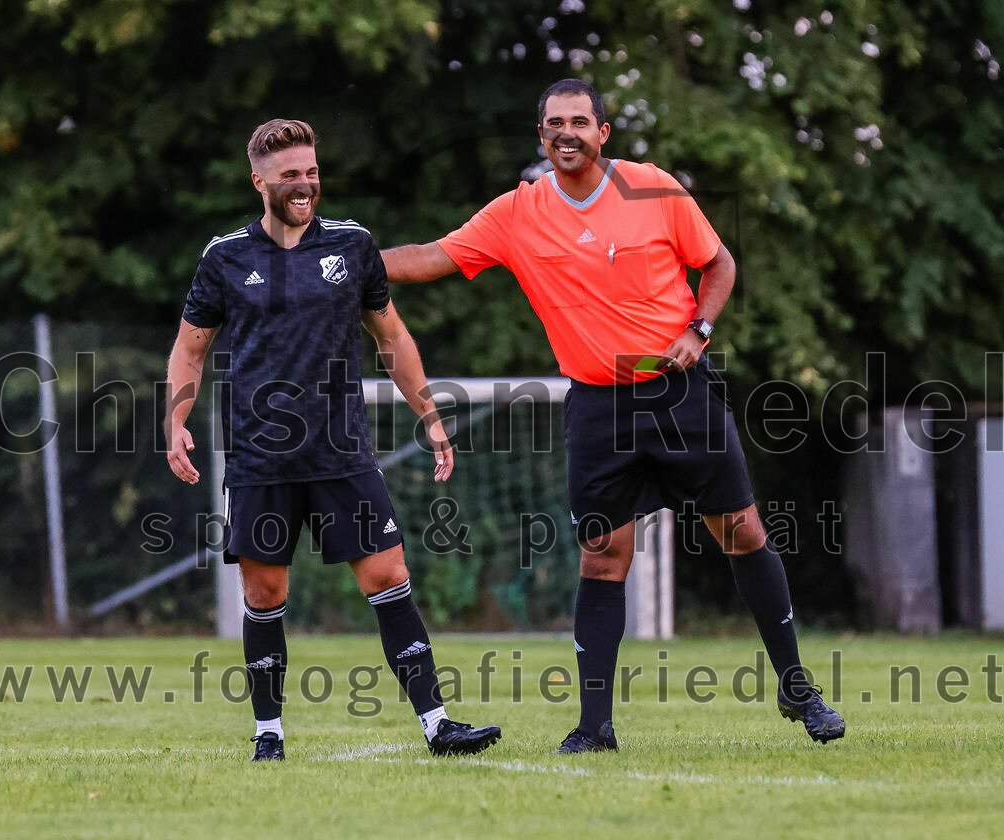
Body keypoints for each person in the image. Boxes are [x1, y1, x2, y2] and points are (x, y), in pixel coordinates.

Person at [381, 79, 845, 752]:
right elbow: (429, 258)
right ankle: (594, 727)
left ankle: (797, 686)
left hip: (679, 391)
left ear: (603, 133)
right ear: (540, 137)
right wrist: (345, 260)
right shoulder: (517, 212)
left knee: (742, 531)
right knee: (603, 555)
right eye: (553, 123)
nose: (566, 132)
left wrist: (702, 329)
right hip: (598, 404)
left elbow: (719, 264)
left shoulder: (653, 187)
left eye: (579, 121)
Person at [164, 118, 501, 761]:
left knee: (389, 574)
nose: (304, 184)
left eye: (311, 172)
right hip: (260, 457)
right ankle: (269, 734)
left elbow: (392, 338)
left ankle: (437, 725)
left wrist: (428, 414)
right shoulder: (225, 257)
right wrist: (175, 420)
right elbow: (190, 347)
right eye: (290, 174)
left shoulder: (353, 246)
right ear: (259, 179)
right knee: (266, 595)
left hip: (341, 450)